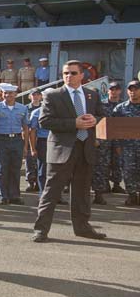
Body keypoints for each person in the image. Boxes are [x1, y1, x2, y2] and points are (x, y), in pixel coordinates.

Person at [32, 60, 107, 242]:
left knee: (82, 192)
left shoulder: (92, 95)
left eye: (73, 73)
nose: (68, 76)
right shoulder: (53, 96)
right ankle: (41, 230)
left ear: (82, 75)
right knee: (52, 192)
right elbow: (45, 121)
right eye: (65, 73)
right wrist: (74, 123)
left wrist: (93, 120)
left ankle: (82, 227)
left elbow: (101, 115)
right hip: (62, 150)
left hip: (85, 149)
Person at [0, 84, 29, 205]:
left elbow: (25, 128)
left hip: (16, 140)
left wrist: (25, 146)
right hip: (2, 140)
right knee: (1, 169)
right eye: (6, 93)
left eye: (11, 93)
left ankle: (15, 195)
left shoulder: (22, 108)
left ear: (15, 94)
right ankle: (2, 196)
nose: (8, 96)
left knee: (15, 168)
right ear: (2, 94)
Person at [92, 81, 125, 204]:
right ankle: (101, 189)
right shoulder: (102, 106)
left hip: (117, 139)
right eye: (112, 89)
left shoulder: (122, 105)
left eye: (117, 89)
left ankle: (116, 183)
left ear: (120, 91)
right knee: (101, 165)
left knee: (117, 163)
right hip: (103, 140)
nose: (114, 91)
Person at [112, 80, 140, 206]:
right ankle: (132, 195)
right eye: (130, 89)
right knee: (128, 171)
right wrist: (117, 145)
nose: (133, 92)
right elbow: (114, 128)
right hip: (127, 147)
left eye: (136, 89)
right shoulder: (120, 108)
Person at [24, 89, 43, 192]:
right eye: (33, 95)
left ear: (41, 96)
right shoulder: (25, 108)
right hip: (28, 137)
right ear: (29, 96)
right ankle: (31, 182)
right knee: (30, 161)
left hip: (40, 138)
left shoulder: (45, 108)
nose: (35, 96)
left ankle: (39, 183)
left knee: (40, 161)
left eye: (38, 94)